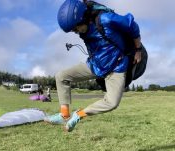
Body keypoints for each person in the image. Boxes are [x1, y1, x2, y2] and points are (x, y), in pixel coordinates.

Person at [44, 0, 144, 132]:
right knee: (61, 76)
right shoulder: (83, 28)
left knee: (112, 103)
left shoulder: (106, 19)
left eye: (75, 28)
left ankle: (78, 115)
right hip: (95, 65)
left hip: (116, 67)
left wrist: (138, 49)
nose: (75, 32)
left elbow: (131, 24)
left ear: (83, 18)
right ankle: (64, 114)